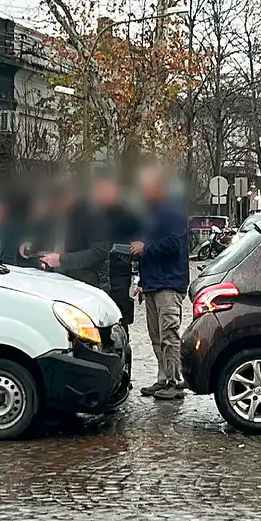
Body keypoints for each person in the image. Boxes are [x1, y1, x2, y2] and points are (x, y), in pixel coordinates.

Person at [131, 167, 189, 399]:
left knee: (168, 335)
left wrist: (145, 247)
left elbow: (173, 245)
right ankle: (163, 378)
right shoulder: (151, 213)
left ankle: (174, 382)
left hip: (168, 283)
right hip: (154, 283)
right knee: (156, 336)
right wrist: (143, 281)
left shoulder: (171, 211)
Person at [35, 180, 110, 292]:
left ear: (70, 197)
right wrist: (31, 246)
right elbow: (45, 239)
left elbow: (99, 251)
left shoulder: (92, 216)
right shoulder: (53, 215)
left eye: (59, 202)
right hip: (56, 281)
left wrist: (62, 260)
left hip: (85, 286)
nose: (56, 207)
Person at [92, 174, 141, 325]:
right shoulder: (93, 214)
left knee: (119, 319)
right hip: (96, 276)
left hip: (119, 274)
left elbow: (140, 244)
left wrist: (141, 279)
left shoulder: (127, 215)